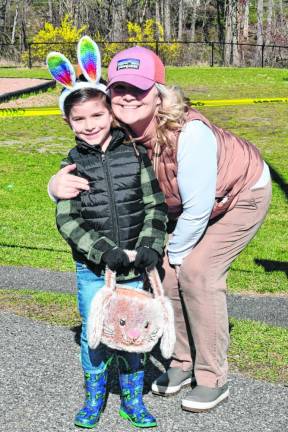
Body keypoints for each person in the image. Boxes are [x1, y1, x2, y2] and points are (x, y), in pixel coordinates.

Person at [48, 45, 272, 413]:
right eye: (120, 89)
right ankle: (181, 362)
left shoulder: (191, 133)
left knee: (196, 272)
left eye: (139, 89)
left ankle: (212, 377)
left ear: (158, 92)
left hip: (238, 194)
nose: (128, 98)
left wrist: (176, 253)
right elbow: (87, 165)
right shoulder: (112, 123)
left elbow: (198, 207)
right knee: (166, 273)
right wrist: (54, 188)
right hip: (186, 205)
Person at [47, 38, 167, 429]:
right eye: (79, 120)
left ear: (110, 113)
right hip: (93, 271)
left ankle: (132, 399)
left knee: (133, 335)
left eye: (96, 115)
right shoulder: (71, 166)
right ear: (68, 122)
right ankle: (94, 397)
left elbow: (154, 205)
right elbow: (68, 221)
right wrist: (101, 253)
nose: (89, 125)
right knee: (95, 335)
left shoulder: (135, 153)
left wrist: (150, 245)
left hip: (137, 264)